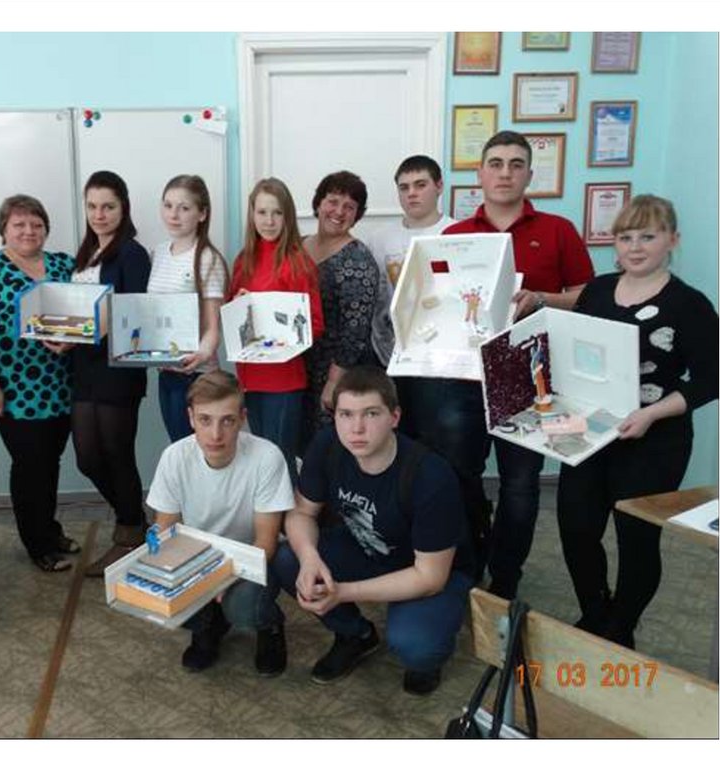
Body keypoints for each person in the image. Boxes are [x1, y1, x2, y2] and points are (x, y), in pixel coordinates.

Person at [556, 195, 718, 649]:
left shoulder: (689, 304)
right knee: (576, 527)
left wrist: (651, 413)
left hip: (655, 439)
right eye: (626, 237)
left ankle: (620, 626)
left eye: (648, 236)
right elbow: (576, 355)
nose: (635, 246)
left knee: (637, 538)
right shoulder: (597, 291)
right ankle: (595, 612)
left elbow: (713, 378)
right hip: (590, 434)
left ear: (672, 240)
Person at [442, 130, 596, 597]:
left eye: (515, 164)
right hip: (465, 378)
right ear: (479, 174)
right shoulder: (455, 236)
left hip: (532, 379)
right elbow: (439, 304)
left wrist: (541, 299)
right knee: (459, 476)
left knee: (521, 487)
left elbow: (588, 296)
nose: (505, 173)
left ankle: (506, 578)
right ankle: (470, 562)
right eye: (495, 163)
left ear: (530, 174)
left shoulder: (558, 230)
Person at [271, 366, 474, 695]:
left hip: (429, 569)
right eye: (346, 414)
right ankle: (356, 635)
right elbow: (301, 513)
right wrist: (309, 558)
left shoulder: (430, 475)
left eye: (371, 414)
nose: (357, 428)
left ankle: (426, 657)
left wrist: (343, 592)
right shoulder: (328, 444)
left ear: (395, 417)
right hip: (368, 548)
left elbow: (430, 577)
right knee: (287, 558)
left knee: (415, 644)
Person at [0, 194, 80, 573]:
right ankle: (38, 543)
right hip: (13, 390)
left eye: (36, 224)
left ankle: (49, 529)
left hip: (62, 385)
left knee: (50, 462)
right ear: (4, 230)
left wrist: (73, 339)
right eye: (19, 224)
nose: (29, 231)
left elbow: (83, 316)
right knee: (30, 465)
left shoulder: (64, 265)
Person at [146, 371, 294, 675]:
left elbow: (265, 541)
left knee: (243, 607)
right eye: (205, 420)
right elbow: (165, 532)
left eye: (227, 420)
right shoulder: (174, 457)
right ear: (191, 418)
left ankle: (269, 624)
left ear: (242, 419)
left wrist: (224, 577)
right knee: (164, 589)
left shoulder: (266, 457)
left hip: (252, 556)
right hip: (200, 557)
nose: (216, 434)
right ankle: (207, 626)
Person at [69, 171, 152, 576]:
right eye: (92, 206)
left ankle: (129, 534)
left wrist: (77, 333)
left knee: (118, 454)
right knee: (87, 457)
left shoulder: (132, 254)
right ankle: (135, 520)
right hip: (82, 366)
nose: (99, 214)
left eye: (108, 206)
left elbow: (130, 312)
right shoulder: (86, 252)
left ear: (123, 208)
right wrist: (62, 333)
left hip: (118, 367)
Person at [229, 178, 324, 486]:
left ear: (288, 216)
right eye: (262, 212)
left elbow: (315, 323)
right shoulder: (243, 260)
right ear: (252, 215)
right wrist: (239, 306)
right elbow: (232, 318)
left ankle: (292, 515)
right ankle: (270, 514)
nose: (269, 221)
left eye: (277, 213)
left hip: (284, 378)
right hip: (250, 376)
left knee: (280, 459)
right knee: (260, 458)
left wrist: (282, 327)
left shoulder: (298, 262)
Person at [301, 171, 379, 452]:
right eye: (332, 202)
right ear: (318, 203)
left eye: (349, 207)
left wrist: (334, 381)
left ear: (357, 215)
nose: (339, 212)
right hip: (298, 368)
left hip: (335, 372)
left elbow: (355, 331)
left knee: (328, 449)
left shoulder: (359, 259)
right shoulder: (297, 245)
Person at [148, 175, 229, 441]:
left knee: (197, 448)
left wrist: (200, 355)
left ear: (202, 213)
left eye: (184, 208)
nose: (174, 215)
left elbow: (213, 329)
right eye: (168, 205)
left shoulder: (208, 259)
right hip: (165, 371)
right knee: (178, 448)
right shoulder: (158, 253)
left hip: (196, 374)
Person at [368, 154, 455, 367]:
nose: (412, 193)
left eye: (420, 185)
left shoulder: (456, 233)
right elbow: (377, 298)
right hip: (390, 351)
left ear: (439, 186)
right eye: (404, 188)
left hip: (442, 351)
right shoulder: (379, 239)